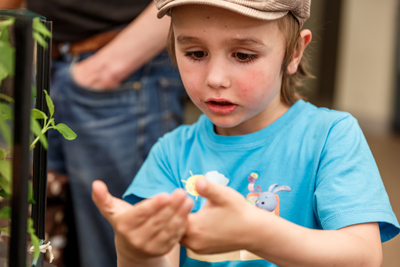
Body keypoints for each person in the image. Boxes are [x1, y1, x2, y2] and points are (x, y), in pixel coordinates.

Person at [92, 0, 400, 266]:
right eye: (196, 53)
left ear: (293, 53)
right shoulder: (170, 154)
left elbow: (364, 256)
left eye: (243, 55)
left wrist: (258, 233)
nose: (215, 78)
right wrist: (135, 251)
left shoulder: (331, 136)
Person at [1, 1, 187, 267]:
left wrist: (106, 70)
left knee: (115, 246)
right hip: (36, 58)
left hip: (120, 71)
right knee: (26, 242)